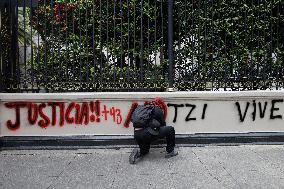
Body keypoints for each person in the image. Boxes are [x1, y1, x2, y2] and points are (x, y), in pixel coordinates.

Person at [129, 97, 178, 164]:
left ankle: (138, 153)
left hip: (137, 134)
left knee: (145, 151)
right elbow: (163, 125)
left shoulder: (141, 109)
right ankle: (170, 151)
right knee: (170, 129)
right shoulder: (157, 110)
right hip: (147, 134)